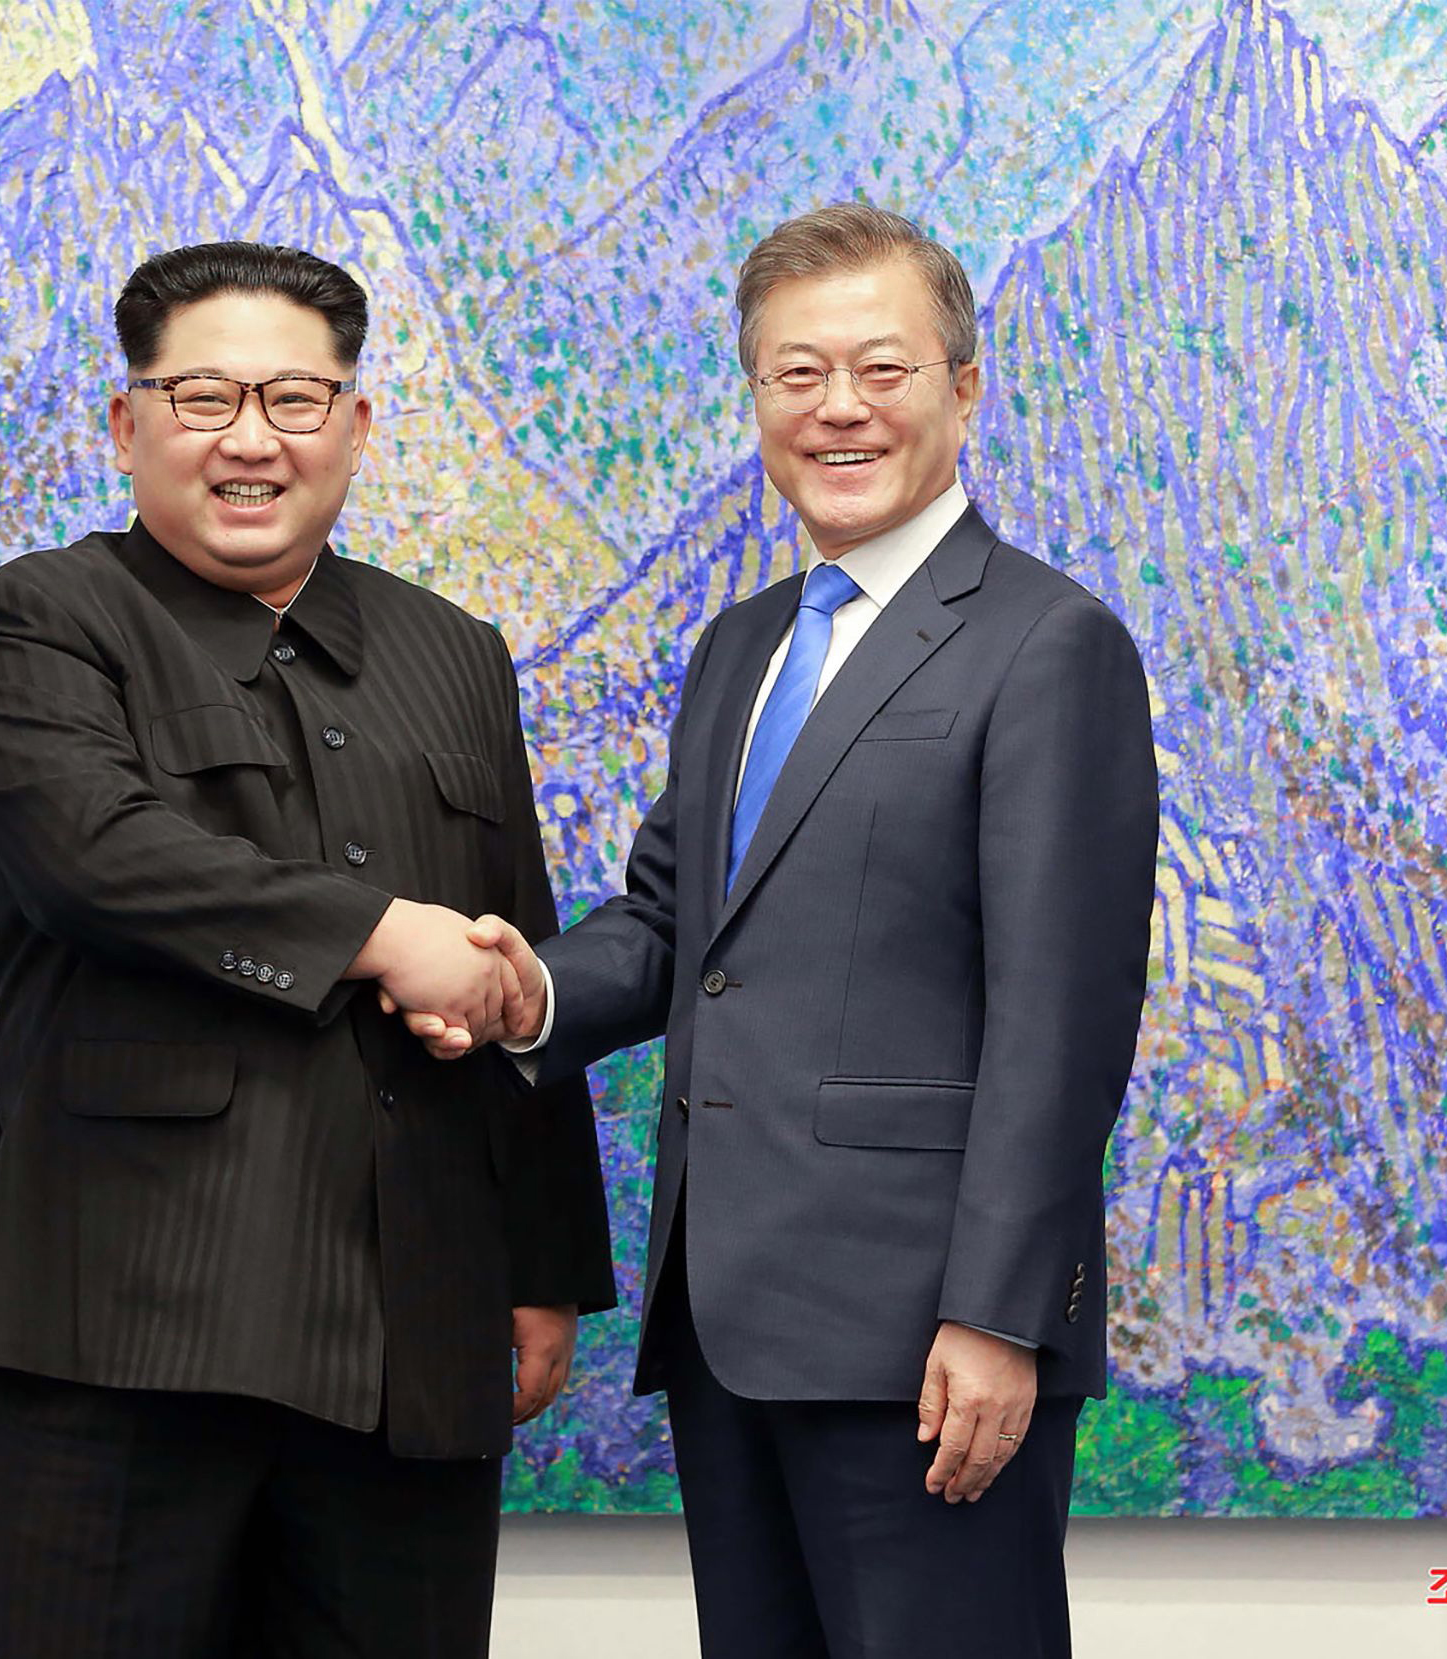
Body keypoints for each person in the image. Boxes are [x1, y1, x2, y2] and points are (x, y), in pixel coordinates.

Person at [417, 202, 1159, 1657]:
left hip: (926, 1343)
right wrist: (524, 994)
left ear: (964, 386)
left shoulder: (1048, 643)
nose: (839, 408)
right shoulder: (743, 645)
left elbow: (1062, 1025)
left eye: (882, 369)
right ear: (757, 397)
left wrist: (1000, 1318)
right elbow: (677, 923)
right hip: (729, 1323)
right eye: (796, 373)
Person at [0, 239, 614, 1659]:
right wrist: (382, 936)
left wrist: (544, 1260)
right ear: (127, 424)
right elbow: (97, 856)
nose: (252, 440)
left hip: (414, 1336)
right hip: (121, 1338)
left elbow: (515, 951)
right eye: (204, 397)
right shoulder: (34, 622)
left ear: (355, 426)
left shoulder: (456, 653)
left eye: (295, 400)